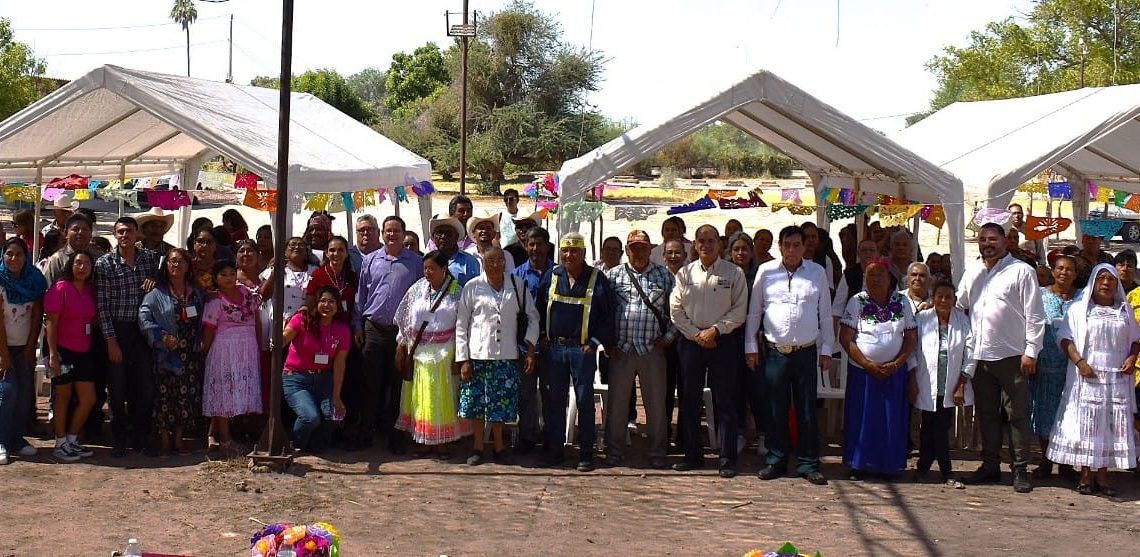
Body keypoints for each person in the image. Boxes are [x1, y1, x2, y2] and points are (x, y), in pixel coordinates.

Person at [956, 223, 1045, 493]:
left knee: (1016, 414)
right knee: (986, 414)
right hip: (981, 356)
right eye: (983, 239)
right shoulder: (973, 271)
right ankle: (990, 466)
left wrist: (1031, 351)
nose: (987, 244)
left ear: (1005, 241)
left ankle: (1020, 469)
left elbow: (1035, 315)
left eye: (993, 239)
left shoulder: (1022, 271)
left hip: (1013, 356)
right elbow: (960, 306)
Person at [746, 225, 835, 485]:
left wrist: (827, 347)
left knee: (807, 410)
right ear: (780, 246)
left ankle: (808, 463)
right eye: (789, 245)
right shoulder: (766, 271)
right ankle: (776, 459)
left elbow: (826, 314)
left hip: (806, 352)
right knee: (775, 409)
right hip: (775, 353)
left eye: (798, 245)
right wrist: (750, 347)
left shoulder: (816, 273)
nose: (793, 250)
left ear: (804, 247)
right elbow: (755, 312)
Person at [1048, 264, 1140, 496]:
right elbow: (1065, 339)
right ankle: (1086, 475)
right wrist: (1080, 363)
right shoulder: (1080, 309)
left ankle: (1103, 475)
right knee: (1086, 425)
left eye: (1111, 279)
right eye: (1102, 279)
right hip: (1087, 376)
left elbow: (1136, 339)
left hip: (1116, 377)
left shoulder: (1124, 310)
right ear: (1093, 282)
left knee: (1110, 425)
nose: (1106, 283)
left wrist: (1132, 357)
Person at [671, 224, 747, 478]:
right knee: (689, 401)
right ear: (694, 244)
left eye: (711, 240)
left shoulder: (734, 273)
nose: (706, 245)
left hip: (722, 342)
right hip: (691, 342)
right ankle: (693, 455)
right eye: (701, 240)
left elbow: (739, 310)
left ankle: (726, 458)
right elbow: (676, 310)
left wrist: (715, 330)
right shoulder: (684, 273)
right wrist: (695, 334)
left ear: (720, 244)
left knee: (725, 401)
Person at [536, 232, 615, 472]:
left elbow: (607, 315)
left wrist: (594, 342)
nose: (569, 255)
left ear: (583, 254)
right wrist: (542, 336)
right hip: (554, 349)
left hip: (582, 351)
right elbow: (538, 308)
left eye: (575, 251)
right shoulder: (552, 275)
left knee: (584, 400)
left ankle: (586, 453)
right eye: (565, 251)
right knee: (554, 401)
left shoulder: (596, 278)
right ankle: (556, 449)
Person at [456, 246, 539, 465]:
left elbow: (533, 317)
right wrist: (463, 359)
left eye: (499, 260)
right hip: (478, 354)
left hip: (506, 354)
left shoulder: (517, 285)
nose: (495, 265)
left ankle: (500, 446)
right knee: (476, 403)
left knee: (500, 404)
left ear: (505, 262)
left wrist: (530, 348)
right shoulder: (472, 287)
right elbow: (461, 324)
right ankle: (477, 446)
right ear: (483, 262)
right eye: (490, 261)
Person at [838, 258, 917, 479]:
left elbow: (910, 337)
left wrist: (896, 364)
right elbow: (845, 337)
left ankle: (889, 466)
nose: (875, 278)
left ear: (889, 277)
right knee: (862, 417)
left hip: (894, 372)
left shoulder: (902, 301)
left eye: (880, 273)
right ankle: (859, 465)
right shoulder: (857, 301)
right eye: (870, 274)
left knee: (890, 418)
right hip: (863, 372)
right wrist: (867, 364)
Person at [604, 230, 675, 469]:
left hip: (651, 349)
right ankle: (613, 450)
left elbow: (677, 310)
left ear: (650, 249)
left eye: (643, 247)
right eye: (634, 248)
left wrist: (669, 336)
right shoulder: (613, 276)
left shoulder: (664, 276)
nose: (639, 252)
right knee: (617, 404)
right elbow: (603, 313)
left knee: (656, 403)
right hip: (621, 349)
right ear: (627, 250)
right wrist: (608, 343)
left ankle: (657, 451)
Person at [353, 215, 422, 452]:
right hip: (373, 328)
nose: (391, 235)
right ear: (382, 234)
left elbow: (421, 297)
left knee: (397, 384)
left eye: (396, 231)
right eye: (388, 231)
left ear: (404, 234)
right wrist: (357, 325)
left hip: (401, 333)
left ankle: (395, 435)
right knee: (370, 384)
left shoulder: (415, 263)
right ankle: (365, 432)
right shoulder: (371, 260)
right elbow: (361, 295)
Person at [394, 250, 470, 455]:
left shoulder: (457, 290)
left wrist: (461, 354)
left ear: (444, 269)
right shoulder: (418, 288)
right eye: (425, 268)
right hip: (420, 352)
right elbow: (405, 316)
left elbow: (464, 323)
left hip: (446, 352)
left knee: (442, 397)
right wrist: (402, 342)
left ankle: (442, 441)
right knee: (421, 396)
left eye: (432, 268)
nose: (427, 272)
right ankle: (424, 439)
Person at [97, 217, 161, 457]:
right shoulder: (105, 264)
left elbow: (159, 286)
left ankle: (141, 435)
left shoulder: (149, 260)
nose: (125, 235)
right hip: (117, 329)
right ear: (115, 235)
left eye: (129, 231)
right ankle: (119, 438)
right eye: (121, 232)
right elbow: (102, 306)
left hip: (143, 330)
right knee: (117, 388)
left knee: (143, 386)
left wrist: (155, 280)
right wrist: (111, 340)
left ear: (137, 234)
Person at [138, 248, 206, 457]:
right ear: (165, 266)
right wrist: (161, 336)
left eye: (180, 261)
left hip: (190, 354)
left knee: (186, 396)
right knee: (165, 397)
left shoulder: (196, 291)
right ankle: (165, 441)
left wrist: (201, 339)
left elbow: (203, 319)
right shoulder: (156, 292)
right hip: (166, 354)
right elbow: (144, 318)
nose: (176, 265)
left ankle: (178, 440)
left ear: (188, 266)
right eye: (172, 261)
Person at [911, 281, 974, 487]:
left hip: (951, 383)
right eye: (940, 296)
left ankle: (928, 469)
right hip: (927, 381)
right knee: (929, 426)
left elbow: (970, 353)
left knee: (939, 426)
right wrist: (911, 378)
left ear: (955, 300)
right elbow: (911, 349)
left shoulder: (962, 320)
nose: (944, 301)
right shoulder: (922, 319)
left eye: (948, 297)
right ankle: (942, 471)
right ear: (933, 298)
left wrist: (962, 382)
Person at [201, 260, 262, 452]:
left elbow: (257, 316)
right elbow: (209, 331)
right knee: (223, 394)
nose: (228, 278)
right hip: (224, 351)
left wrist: (259, 346)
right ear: (215, 278)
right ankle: (225, 440)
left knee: (236, 393)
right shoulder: (214, 301)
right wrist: (205, 354)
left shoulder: (246, 293)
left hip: (247, 350)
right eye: (223, 274)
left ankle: (213, 435)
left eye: (231, 273)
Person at [44, 250, 99, 462]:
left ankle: (71, 438)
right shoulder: (60, 288)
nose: (82, 267)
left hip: (84, 351)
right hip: (62, 350)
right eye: (78, 263)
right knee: (63, 398)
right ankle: (59, 443)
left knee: (88, 398)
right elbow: (51, 323)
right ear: (71, 265)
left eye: (87, 263)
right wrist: (52, 354)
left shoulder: (89, 290)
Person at [281, 286, 350, 454]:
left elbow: (340, 364)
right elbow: (283, 339)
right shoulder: (301, 320)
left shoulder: (342, 330)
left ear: (337, 306)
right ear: (316, 303)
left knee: (333, 414)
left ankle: (316, 445)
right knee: (310, 418)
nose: (327, 305)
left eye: (332, 302)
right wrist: (278, 336)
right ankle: (295, 443)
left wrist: (336, 396)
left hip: (323, 379)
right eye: (323, 301)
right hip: (296, 378)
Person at [1029, 254, 1079, 480]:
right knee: (1045, 413)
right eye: (1059, 268)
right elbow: (1030, 324)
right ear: (1052, 271)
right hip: (1045, 365)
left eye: (1069, 269)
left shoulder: (1082, 298)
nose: (1063, 273)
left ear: (1075, 274)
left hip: (1073, 368)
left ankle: (1066, 463)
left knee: (1068, 415)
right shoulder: (1039, 295)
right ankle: (1046, 459)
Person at [0, 238, 47, 463]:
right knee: (7, 393)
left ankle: (16, 439)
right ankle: (1, 440)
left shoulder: (35, 281)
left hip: (24, 348)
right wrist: (4, 354)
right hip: (3, 348)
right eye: (9, 254)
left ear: (26, 257)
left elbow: (37, 315)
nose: (13, 259)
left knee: (25, 395)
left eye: (18, 254)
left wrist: (30, 347)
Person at [511, 226, 553, 454]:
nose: (535, 249)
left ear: (547, 246)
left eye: (539, 244)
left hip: (550, 345)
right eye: (531, 244)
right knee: (525, 394)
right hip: (524, 345)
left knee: (551, 393)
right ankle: (527, 436)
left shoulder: (558, 273)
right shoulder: (516, 275)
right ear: (525, 246)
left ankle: (550, 436)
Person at [42, 212, 104, 286]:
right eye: (75, 229)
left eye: (85, 229)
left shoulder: (100, 258)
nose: (80, 232)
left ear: (91, 233)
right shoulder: (57, 260)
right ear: (66, 233)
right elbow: (46, 288)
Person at [431, 217, 480, 287]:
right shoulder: (429, 261)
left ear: (456, 237)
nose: (443, 236)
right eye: (439, 233)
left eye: (448, 233)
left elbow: (475, 290)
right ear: (433, 237)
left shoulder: (469, 261)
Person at [189, 227, 220, 291]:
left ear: (215, 245)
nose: (205, 245)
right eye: (201, 241)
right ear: (194, 244)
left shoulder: (222, 267)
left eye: (209, 242)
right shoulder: (187, 267)